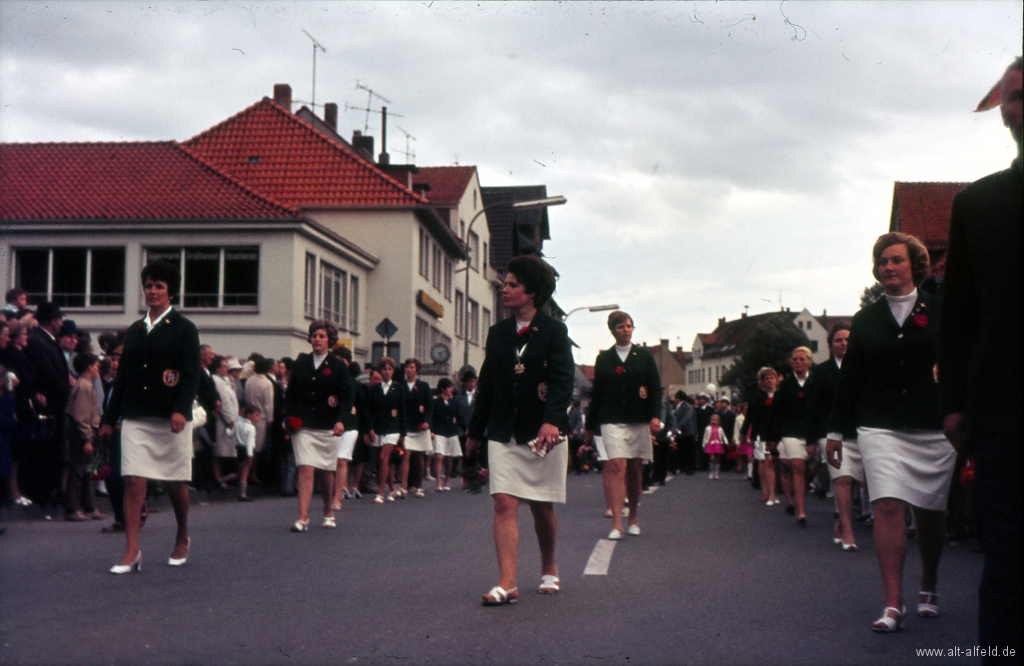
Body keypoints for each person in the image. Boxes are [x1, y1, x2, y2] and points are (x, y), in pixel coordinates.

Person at [827, 232, 955, 632]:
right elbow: (850, 379)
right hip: (879, 424)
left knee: (931, 514)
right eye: (883, 262)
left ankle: (928, 584)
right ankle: (893, 603)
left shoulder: (940, 310)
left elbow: (957, 363)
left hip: (931, 425)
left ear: (914, 265)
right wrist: (835, 430)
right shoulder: (864, 321)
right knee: (887, 506)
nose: (888, 267)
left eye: (896, 260)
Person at [938, 57, 1021, 662]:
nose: (1021, 106)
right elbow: (959, 317)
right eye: (1014, 97)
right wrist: (954, 405)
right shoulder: (979, 206)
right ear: (1003, 114)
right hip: (1005, 412)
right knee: (1009, 564)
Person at [467, 255, 574, 605]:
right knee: (503, 502)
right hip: (504, 430)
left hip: (543, 433)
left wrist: (552, 420)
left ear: (532, 292)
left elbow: (562, 380)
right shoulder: (497, 333)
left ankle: (549, 566)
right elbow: (487, 384)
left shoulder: (555, 331)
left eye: (513, 284)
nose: (505, 289)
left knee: (542, 507)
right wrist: (474, 431)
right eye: (506, 283)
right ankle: (508, 582)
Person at [100, 261, 201, 574]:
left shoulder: (185, 329)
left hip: (170, 417)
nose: (153, 291)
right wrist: (108, 418)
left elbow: (191, 374)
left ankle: (182, 534)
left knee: (174, 483)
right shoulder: (135, 329)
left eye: (159, 286)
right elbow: (124, 378)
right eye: (148, 286)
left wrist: (181, 410)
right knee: (133, 479)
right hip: (136, 415)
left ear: (171, 291)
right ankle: (132, 549)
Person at [585, 311, 662, 539]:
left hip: (638, 419)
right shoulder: (605, 359)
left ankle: (634, 517)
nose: (626, 330)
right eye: (621, 327)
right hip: (612, 419)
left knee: (635, 470)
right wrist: (590, 425)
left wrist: (655, 416)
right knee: (617, 466)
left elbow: (655, 389)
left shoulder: (644, 357)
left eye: (629, 326)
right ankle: (617, 523)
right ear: (613, 330)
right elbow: (597, 394)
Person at [283, 319, 352, 531]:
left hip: (327, 425)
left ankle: (328, 509)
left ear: (329, 340)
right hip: (303, 425)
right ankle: (303, 518)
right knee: (305, 467)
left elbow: (347, 396)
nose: (317, 339)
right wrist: (289, 417)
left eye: (321, 336)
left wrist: (342, 419)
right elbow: (291, 394)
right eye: (314, 336)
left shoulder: (338, 366)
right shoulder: (301, 363)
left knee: (325, 471)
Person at [806, 324, 859, 550]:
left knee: (855, 482)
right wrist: (810, 440)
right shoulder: (821, 372)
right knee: (842, 479)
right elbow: (812, 406)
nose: (844, 343)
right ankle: (848, 531)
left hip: (860, 432)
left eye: (847, 339)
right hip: (833, 434)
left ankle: (840, 518)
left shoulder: (862, 368)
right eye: (838, 340)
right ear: (831, 345)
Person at [24, 301, 72, 511]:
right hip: (50, 404)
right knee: (46, 450)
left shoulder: (46, 340)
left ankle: (51, 490)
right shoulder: (38, 341)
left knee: (54, 450)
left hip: (56, 402)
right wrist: (65, 390)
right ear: (53, 321)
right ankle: (44, 492)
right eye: (59, 319)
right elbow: (47, 373)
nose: (61, 323)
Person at [767, 346, 815, 525]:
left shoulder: (816, 381)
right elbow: (776, 412)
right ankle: (801, 510)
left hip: (811, 430)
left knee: (808, 467)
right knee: (797, 465)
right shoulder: (786, 385)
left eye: (802, 359)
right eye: (795, 359)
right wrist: (772, 437)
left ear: (809, 362)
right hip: (790, 431)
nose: (799, 362)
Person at [0, 319, 40, 507]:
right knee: (15, 452)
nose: (26, 338)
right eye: (23, 335)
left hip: (22, 404)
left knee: (19, 451)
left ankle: (16, 490)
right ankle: (13, 492)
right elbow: (19, 379)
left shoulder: (18, 354)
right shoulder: (11, 356)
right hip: (16, 406)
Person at [64, 353, 105, 521]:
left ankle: (89, 506)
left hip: (87, 430)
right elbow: (81, 416)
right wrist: (87, 438)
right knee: (78, 470)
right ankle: (72, 508)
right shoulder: (84, 387)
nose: (98, 369)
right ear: (89, 367)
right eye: (96, 366)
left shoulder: (86, 385)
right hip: (82, 432)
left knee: (88, 470)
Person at [366, 357, 405, 504]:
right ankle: (392, 488)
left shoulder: (398, 388)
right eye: (384, 369)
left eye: (390, 369)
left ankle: (381, 492)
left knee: (383, 457)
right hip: (378, 428)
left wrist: (403, 433)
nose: (387, 372)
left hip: (393, 428)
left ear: (393, 371)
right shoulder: (374, 389)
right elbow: (369, 410)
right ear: (380, 371)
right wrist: (368, 429)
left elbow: (403, 411)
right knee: (383, 462)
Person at [331, 350, 361, 509]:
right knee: (330, 462)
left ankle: (337, 497)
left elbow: (362, 407)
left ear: (348, 362)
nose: (340, 362)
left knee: (342, 459)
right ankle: (334, 489)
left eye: (343, 359)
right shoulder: (327, 379)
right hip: (329, 424)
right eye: (337, 359)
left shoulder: (353, 383)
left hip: (349, 425)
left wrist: (368, 429)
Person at [399, 358, 433, 498]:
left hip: (420, 425)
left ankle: (419, 486)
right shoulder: (400, 385)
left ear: (416, 370)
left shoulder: (424, 386)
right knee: (405, 454)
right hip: (406, 424)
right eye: (407, 367)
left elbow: (430, 406)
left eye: (412, 367)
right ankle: (403, 486)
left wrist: (427, 421)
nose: (409, 370)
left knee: (419, 456)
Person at [747, 367, 779, 505]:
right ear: (762, 382)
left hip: (777, 433)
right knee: (765, 462)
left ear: (776, 380)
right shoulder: (758, 398)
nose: (770, 381)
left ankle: (773, 491)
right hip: (762, 433)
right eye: (766, 378)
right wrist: (751, 436)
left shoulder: (781, 395)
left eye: (772, 378)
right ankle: (768, 492)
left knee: (774, 463)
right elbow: (753, 417)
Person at [243, 355, 275, 488]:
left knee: (248, 445)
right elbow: (268, 403)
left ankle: (248, 473)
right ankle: (253, 474)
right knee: (257, 448)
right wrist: (270, 419)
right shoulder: (267, 383)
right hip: (261, 417)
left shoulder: (249, 380)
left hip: (248, 414)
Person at [210, 355, 240, 488]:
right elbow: (224, 402)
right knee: (219, 451)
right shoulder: (216, 380)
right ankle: (217, 477)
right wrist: (229, 420)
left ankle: (222, 478)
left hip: (231, 419)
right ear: (218, 368)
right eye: (224, 366)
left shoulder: (226, 381)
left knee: (225, 451)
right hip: (223, 421)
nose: (227, 368)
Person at [430, 377, 461, 491]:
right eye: (448, 387)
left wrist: (466, 428)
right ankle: (438, 481)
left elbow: (459, 416)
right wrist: (431, 431)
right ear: (443, 389)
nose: (451, 389)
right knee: (439, 456)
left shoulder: (453, 402)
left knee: (449, 458)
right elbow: (432, 417)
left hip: (451, 431)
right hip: (439, 431)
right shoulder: (436, 402)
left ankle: (447, 480)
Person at [234, 405, 260, 501]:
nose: (258, 418)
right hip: (246, 450)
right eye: (256, 415)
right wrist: (250, 455)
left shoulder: (238, 424)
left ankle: (221, 480)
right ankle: (242, 494)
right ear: (249, 415)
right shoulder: (251, 428)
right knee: (245, 472)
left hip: (239, 448)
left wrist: (228, 429)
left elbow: (230, 433)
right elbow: (249, 443)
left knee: (240, 471)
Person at [670, 391, 696, 475]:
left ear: (679, 398)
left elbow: (686, 418)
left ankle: (690, 468)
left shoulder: (686, 406)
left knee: (689, 451)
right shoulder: (678, 406)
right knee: (680, 450)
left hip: (687, 432)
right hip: (680, 433)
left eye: (676, 397)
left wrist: (678, 426)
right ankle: (682, 466)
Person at [702, 413, 728, 479]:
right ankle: (711, 472)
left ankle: (716, 472)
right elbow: (705, 437)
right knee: (711, 458)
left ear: (718, 421)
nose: (714, 421)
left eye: (715, 420)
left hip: (718, 444)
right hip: (710, 444)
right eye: (712, 420)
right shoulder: (707, 428)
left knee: (718, 458)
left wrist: (726, 442)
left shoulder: (720, 429)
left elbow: (723, 436)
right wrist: (703, 444)